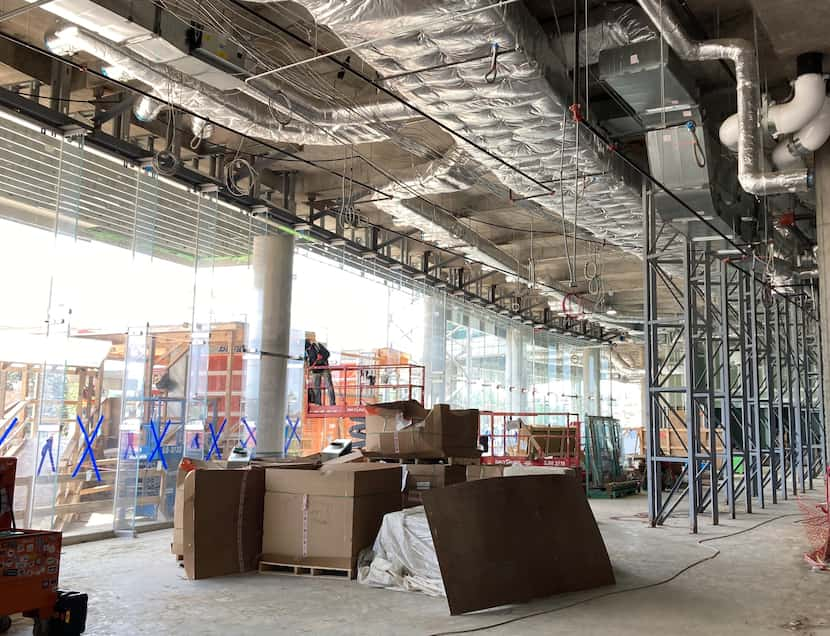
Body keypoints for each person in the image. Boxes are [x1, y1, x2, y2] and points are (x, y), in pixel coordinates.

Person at [305, 332, 336, 406]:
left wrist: (321, 358)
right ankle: (318, 404)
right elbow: (307, 361)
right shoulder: (306, 351)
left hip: (324, 368)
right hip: (315, 371)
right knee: (316, 388)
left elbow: (327, 353)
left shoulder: (318, 346)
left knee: (329, 386)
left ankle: (332, 404)